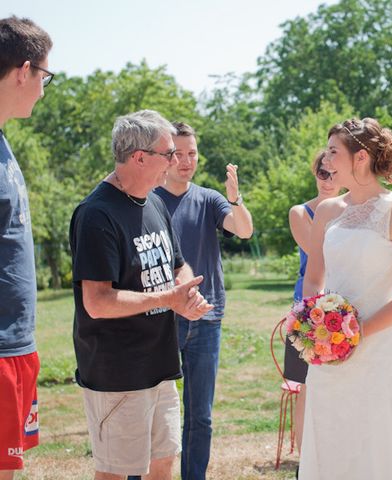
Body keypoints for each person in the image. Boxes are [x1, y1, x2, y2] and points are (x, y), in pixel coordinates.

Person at [70, 110, 213, 480]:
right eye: (168, 154)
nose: (176, 162)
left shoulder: (154, 202)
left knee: (163, 463)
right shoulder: (96, 214)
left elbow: (177, 264)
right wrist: (168, 299)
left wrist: (188, 293)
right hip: (117, 372)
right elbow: (97, 302)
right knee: (117, 472)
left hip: (159, 366)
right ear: (139, 157)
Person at [299, 118, 392, 479]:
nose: (326, 160)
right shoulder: (327, 211)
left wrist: (356, 333)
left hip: (382, 349)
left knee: (379, 444)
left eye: (333, 151)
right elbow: (314, 277)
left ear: (360, 157)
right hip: (329, 350)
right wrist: (316, 326)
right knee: (333, 441)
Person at [153, 122, 253, 480]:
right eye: (177, 154)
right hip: (159, 319)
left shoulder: (210, 198)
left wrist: (235, 198)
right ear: (164, 156)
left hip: (206, 320)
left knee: (200, 415)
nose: (186, 161)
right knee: (150, 409)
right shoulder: (148, 200)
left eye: (192, 153)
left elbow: (243, 229)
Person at [0, 16, 53, 479]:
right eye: (45, 76)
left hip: (15, 347)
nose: (43, 87)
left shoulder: (3, 143)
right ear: (24, 70)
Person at [284, 150, 340, 454]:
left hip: (346, 302)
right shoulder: (300, 212)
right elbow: (319, 256)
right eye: (323, 173)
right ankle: (305, 461)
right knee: (306, 385)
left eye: (333, 174)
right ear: (314, 173)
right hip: (310, 306)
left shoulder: (352, 210)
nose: (329, 180)